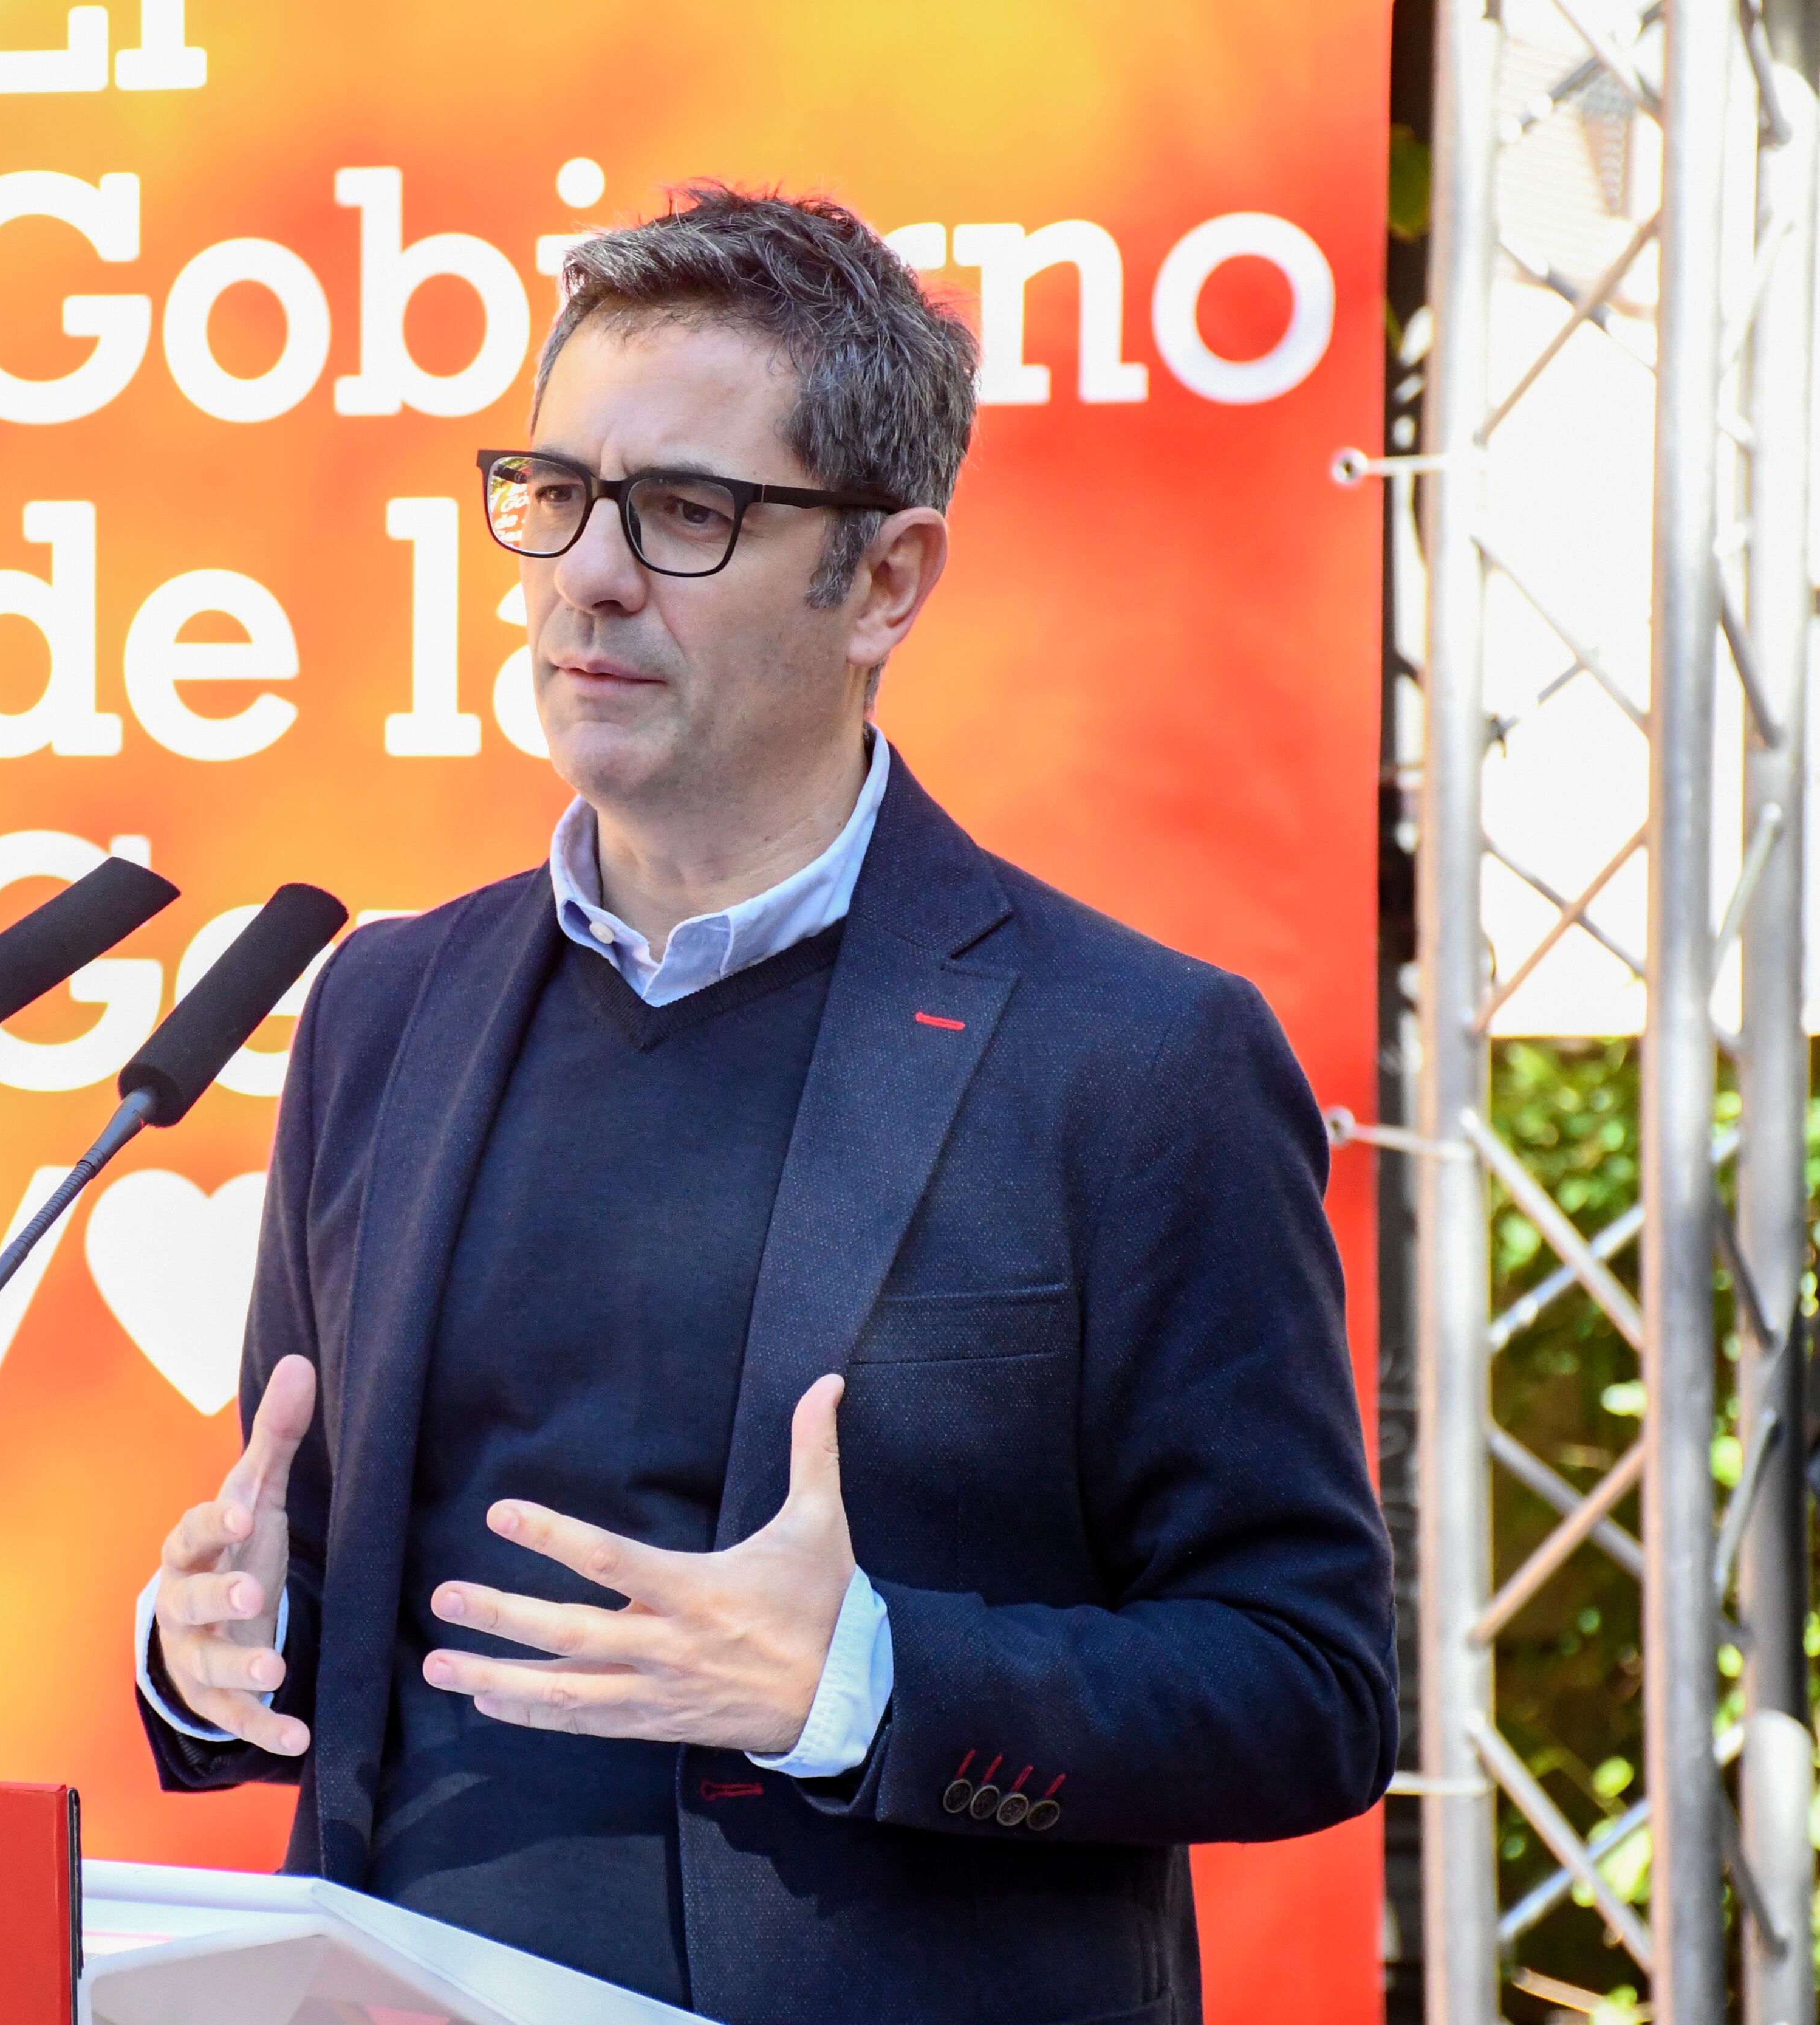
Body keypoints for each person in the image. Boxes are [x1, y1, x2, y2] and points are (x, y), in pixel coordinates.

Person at [130, 184, 1394, 2024]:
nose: (589, 574)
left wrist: (862, 1683)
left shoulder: (1135, 1057)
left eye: (687, 512)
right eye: (556, 493)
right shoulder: (387, 1009)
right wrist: (209, 1648)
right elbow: (316, 1581)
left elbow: (1306, 1688)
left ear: (885, 581)